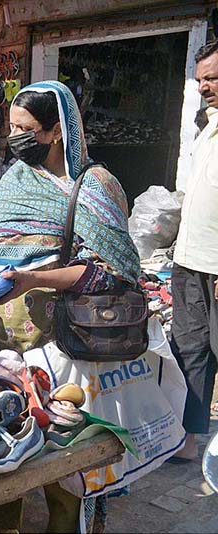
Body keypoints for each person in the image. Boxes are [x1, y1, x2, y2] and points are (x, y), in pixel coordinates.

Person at [0, 81, 140, 532]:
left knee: (64, 464)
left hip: (65, 348)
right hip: (4, 349)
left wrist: (34, 279)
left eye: (26, 129)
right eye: (12, 127)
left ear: (58, 131)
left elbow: (116, 274)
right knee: (6, 452)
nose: (15, 137)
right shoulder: (15, 182)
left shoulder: (95, 187)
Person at [170, 40, 218, 462]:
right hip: (188, 261)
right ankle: (189, 440)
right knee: (190, 349)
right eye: (201, 79)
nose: (205, 87)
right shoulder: (207, 129)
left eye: (214, 78)